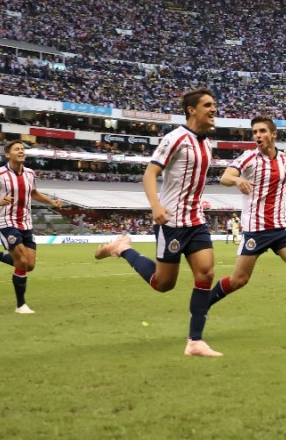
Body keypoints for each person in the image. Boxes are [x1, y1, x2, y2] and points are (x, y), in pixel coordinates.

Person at [94, 88, 223, 357]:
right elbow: (150, 174)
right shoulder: (175, 138)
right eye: (208, 105)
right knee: (163, 284)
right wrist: (155, 206)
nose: (214, 109)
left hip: (196, 220)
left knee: (206, 274)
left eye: (214, 105)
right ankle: (123, 248)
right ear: (192, 110)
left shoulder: (207, 143)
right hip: (171, 221)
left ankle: (195, 341)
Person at [208, 115, 286, 337]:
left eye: (262, 131)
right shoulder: (248, 158)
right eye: (255, 132)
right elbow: (225, 176)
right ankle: (202, 304)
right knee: (239, 280)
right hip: (256, 230)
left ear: (273, 134)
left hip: (281, 228)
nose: (258, 135)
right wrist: (238, 180)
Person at [0, 140, 64, 313]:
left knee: (29, 265)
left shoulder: (30, 173)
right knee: (22, 262)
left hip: (26, 222)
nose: (21, 151)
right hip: (6, 222)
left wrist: (52, 202)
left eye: (23, 149)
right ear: (7, 154)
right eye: (17, 149)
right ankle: (20, 305)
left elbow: (34, 193)